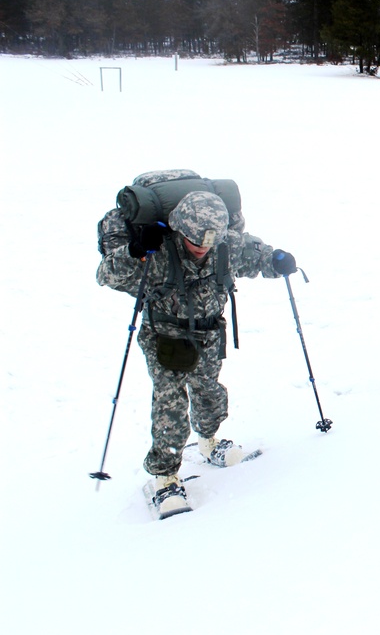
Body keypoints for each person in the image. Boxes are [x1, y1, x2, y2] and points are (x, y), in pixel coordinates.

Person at [97, 186, 297, 517]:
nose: (203, 248)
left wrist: (276, 260)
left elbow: (253, 253)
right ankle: (164, 477)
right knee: (171, 405)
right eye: (195, 242)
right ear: (179, 230)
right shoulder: (157, 251)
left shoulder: (223, 244)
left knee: (210, 394)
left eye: (209, 242)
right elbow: (105, 274)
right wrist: (134, 251)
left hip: (209, 331)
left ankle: (209, 441)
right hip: (166, 334)